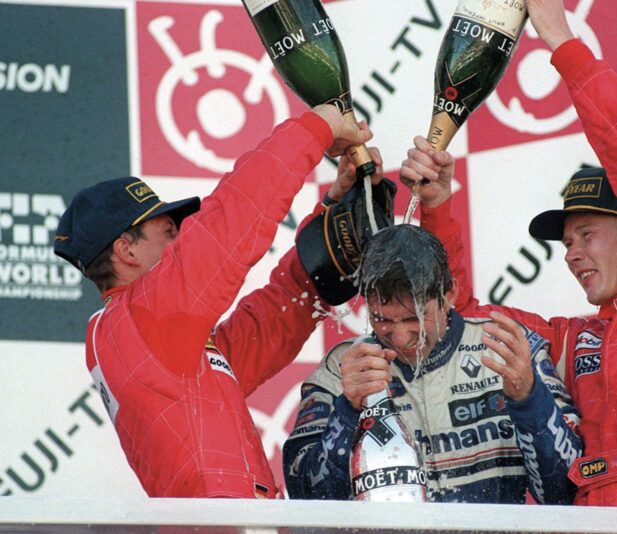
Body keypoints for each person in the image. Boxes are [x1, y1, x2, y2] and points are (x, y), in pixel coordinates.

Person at [404, 0, 617, 509]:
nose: (572, 254)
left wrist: (562, 43)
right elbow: (464, 318)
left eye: (587, 234)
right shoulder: (573, 338)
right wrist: (437, 207)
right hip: (585, 514)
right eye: (567, 243)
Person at [53, 104, 378, 498]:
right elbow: (232, 218)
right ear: (126, 250)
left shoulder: (160, 345)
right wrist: (316, 128)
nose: (182, 238)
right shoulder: (140, 318)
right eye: (169, 231)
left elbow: (270, 324)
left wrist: (331, 216)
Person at [282, 223, 582, 504]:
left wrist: (530, 400)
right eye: (382, 320)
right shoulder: (342, 368)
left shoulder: (506, 348)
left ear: (449, 293)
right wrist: (348, 412)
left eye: (415, 318)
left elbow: (565, 492)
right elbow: (307, 500)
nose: (399, 337)